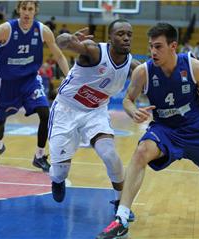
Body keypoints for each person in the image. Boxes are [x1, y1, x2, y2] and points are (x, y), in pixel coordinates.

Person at [96, 22, 199, 239]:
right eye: (151, 46)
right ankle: (121, 218)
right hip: (165, 130)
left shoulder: (194, 66)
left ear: (173, 46)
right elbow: (128, 100)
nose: (153, 52)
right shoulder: (143, 72)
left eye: (158, 46)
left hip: (197, 130)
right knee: (141, 152)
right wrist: (133, 112)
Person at [48, 19, 139, 220]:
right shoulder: (94, 51)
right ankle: (57, 179)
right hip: (66, 110)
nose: (125, 38)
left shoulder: (133, 66)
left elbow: (152, 77)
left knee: (110, 155)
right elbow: (61, 42)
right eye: (120, 33)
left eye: (129, 34)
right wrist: (69, 39)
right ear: (110, 37)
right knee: (59, 172)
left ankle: (120, 203)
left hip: (95, 112)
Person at [0, 1, 69, 172]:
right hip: (7, 82)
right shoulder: (6, 29)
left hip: (30, 80)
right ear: (19, 10)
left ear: (35, 11)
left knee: (45, 112)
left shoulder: (42, 31)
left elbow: (59, 57)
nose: (27, 13)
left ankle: (39, 156)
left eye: (30, 9)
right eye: (24, 9)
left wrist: (69, 79)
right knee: (0, 120)